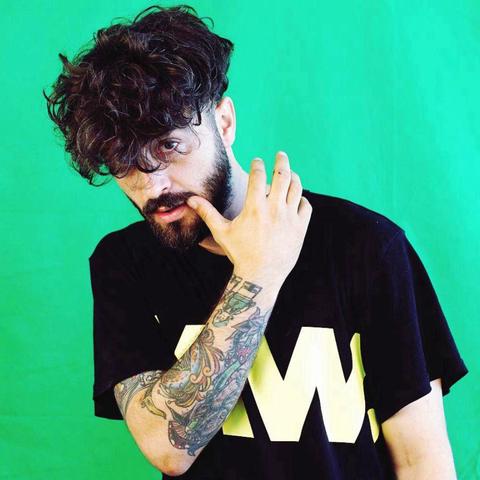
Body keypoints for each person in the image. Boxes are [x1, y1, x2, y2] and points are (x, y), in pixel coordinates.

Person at [44, 4, 469, 479]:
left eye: (169, 145)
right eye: (124, 162)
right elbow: (167, 446)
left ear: (224, 122)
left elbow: (420, 460)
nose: (153, 186)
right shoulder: (124, 262)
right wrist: (258, 272)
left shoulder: (367, 247)